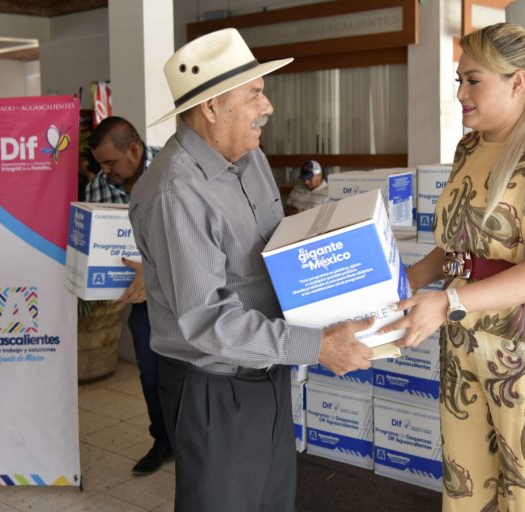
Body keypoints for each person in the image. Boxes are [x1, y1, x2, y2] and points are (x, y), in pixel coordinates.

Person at [129, 28, 374, 512]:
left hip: (269, 369)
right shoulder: (177, 192)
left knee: (272, 501)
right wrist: (318, 346)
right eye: (255, 94)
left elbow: (273, 251)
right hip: (213, 390)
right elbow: (206, 322)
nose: (269, 107)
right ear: (212, 107)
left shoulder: (250, 157)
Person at [379, 23, 525, 511]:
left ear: (518, 82)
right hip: (464, 334)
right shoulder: (470, 147)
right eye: (459, 80)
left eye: (473, 80)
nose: (459, 94)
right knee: (466, 484)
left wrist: (449, 301)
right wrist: (405, 284)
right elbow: (459, 246)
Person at [86, 116, 174, 476]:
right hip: (143, 302)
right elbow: (94, 248)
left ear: (135, 150)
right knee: (151, 374)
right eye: (101, 164)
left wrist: (149, 269)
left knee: (193, 373)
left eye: (111, 162)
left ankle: (196, 443)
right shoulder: (100, 189)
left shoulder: (174, 171)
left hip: (185, 294)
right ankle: (163, 442)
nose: (105, 172)